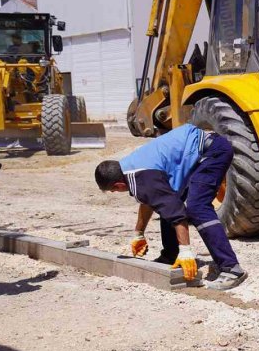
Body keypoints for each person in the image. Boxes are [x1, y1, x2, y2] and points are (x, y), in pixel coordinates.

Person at [94, 124, 247, 290]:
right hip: (197, 152)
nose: (116, 193)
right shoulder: (128, 167)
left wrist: (186, 250)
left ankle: (231, 268)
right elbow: (151, 199)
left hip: (213, 152)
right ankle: (170, 256)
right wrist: (139, 233)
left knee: (197, 207)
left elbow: (177, 214)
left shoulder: (142, 176)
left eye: (113, 191)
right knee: (167, 202)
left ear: (117, 185)